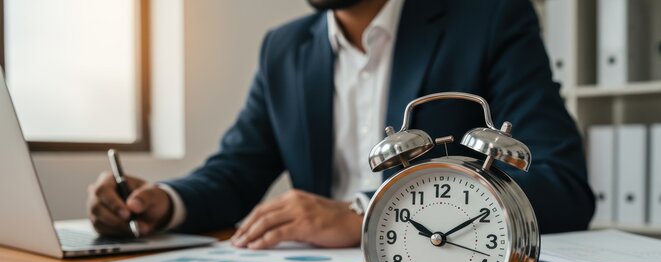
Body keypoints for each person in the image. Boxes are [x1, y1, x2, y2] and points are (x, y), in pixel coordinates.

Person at [87, 0, 595, 249]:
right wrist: (162, 201)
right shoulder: (284, 48)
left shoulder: (488, 19)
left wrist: (365, 215)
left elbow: (561, 184)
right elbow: (236, 170)